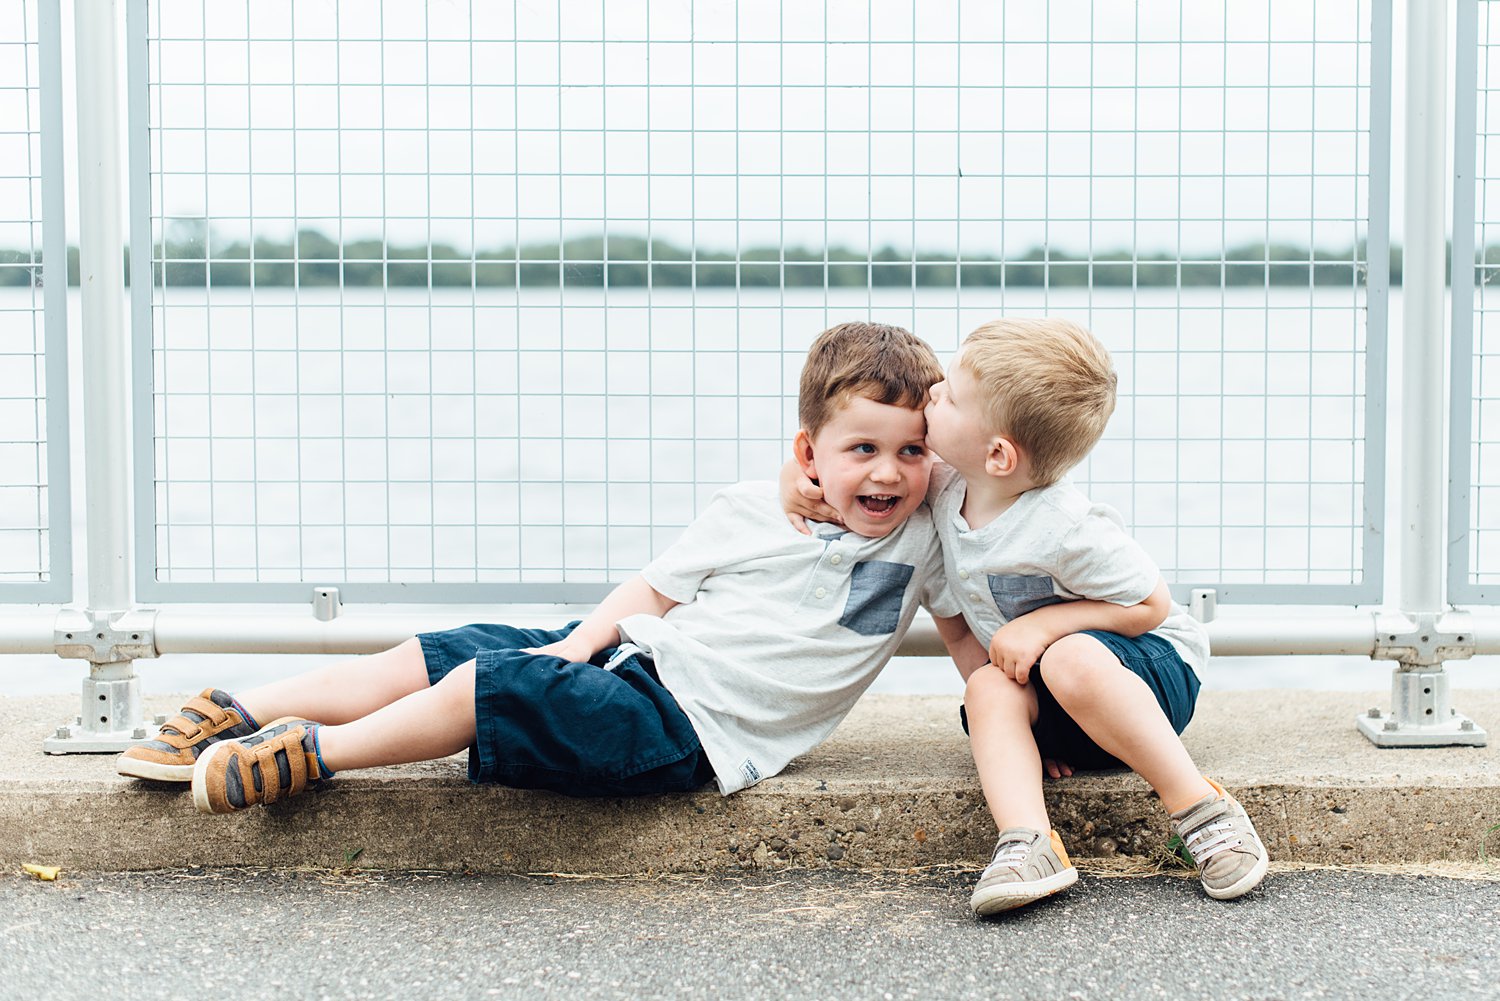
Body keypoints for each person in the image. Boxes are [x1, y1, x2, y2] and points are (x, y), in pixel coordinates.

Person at [116, 321, 976, 815]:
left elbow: (965, 624)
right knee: (464, 647)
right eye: (862, 448)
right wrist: (575, 648)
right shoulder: (755, 505)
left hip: (690, 733)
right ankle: (238, 709)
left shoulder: (931, 529)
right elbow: (650, 591)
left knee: (501, 682)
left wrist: (996, 712)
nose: (889, 473)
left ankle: (314, 753)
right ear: (808, 450)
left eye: (911, 452)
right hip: (641, 658)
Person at [784, 318, 1268, 915]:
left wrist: (1044, 626)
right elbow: (848, 465)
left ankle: (1201, 811)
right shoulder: (940, 488)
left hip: (1149, 680)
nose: (933, 392)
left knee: (1069, 655)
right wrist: (796, 479)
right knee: (986, 683)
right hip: (1064, 711)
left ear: (997, 453)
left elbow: (1150, 604)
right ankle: (1029, 842)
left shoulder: (1065, 525)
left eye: (951, 396)